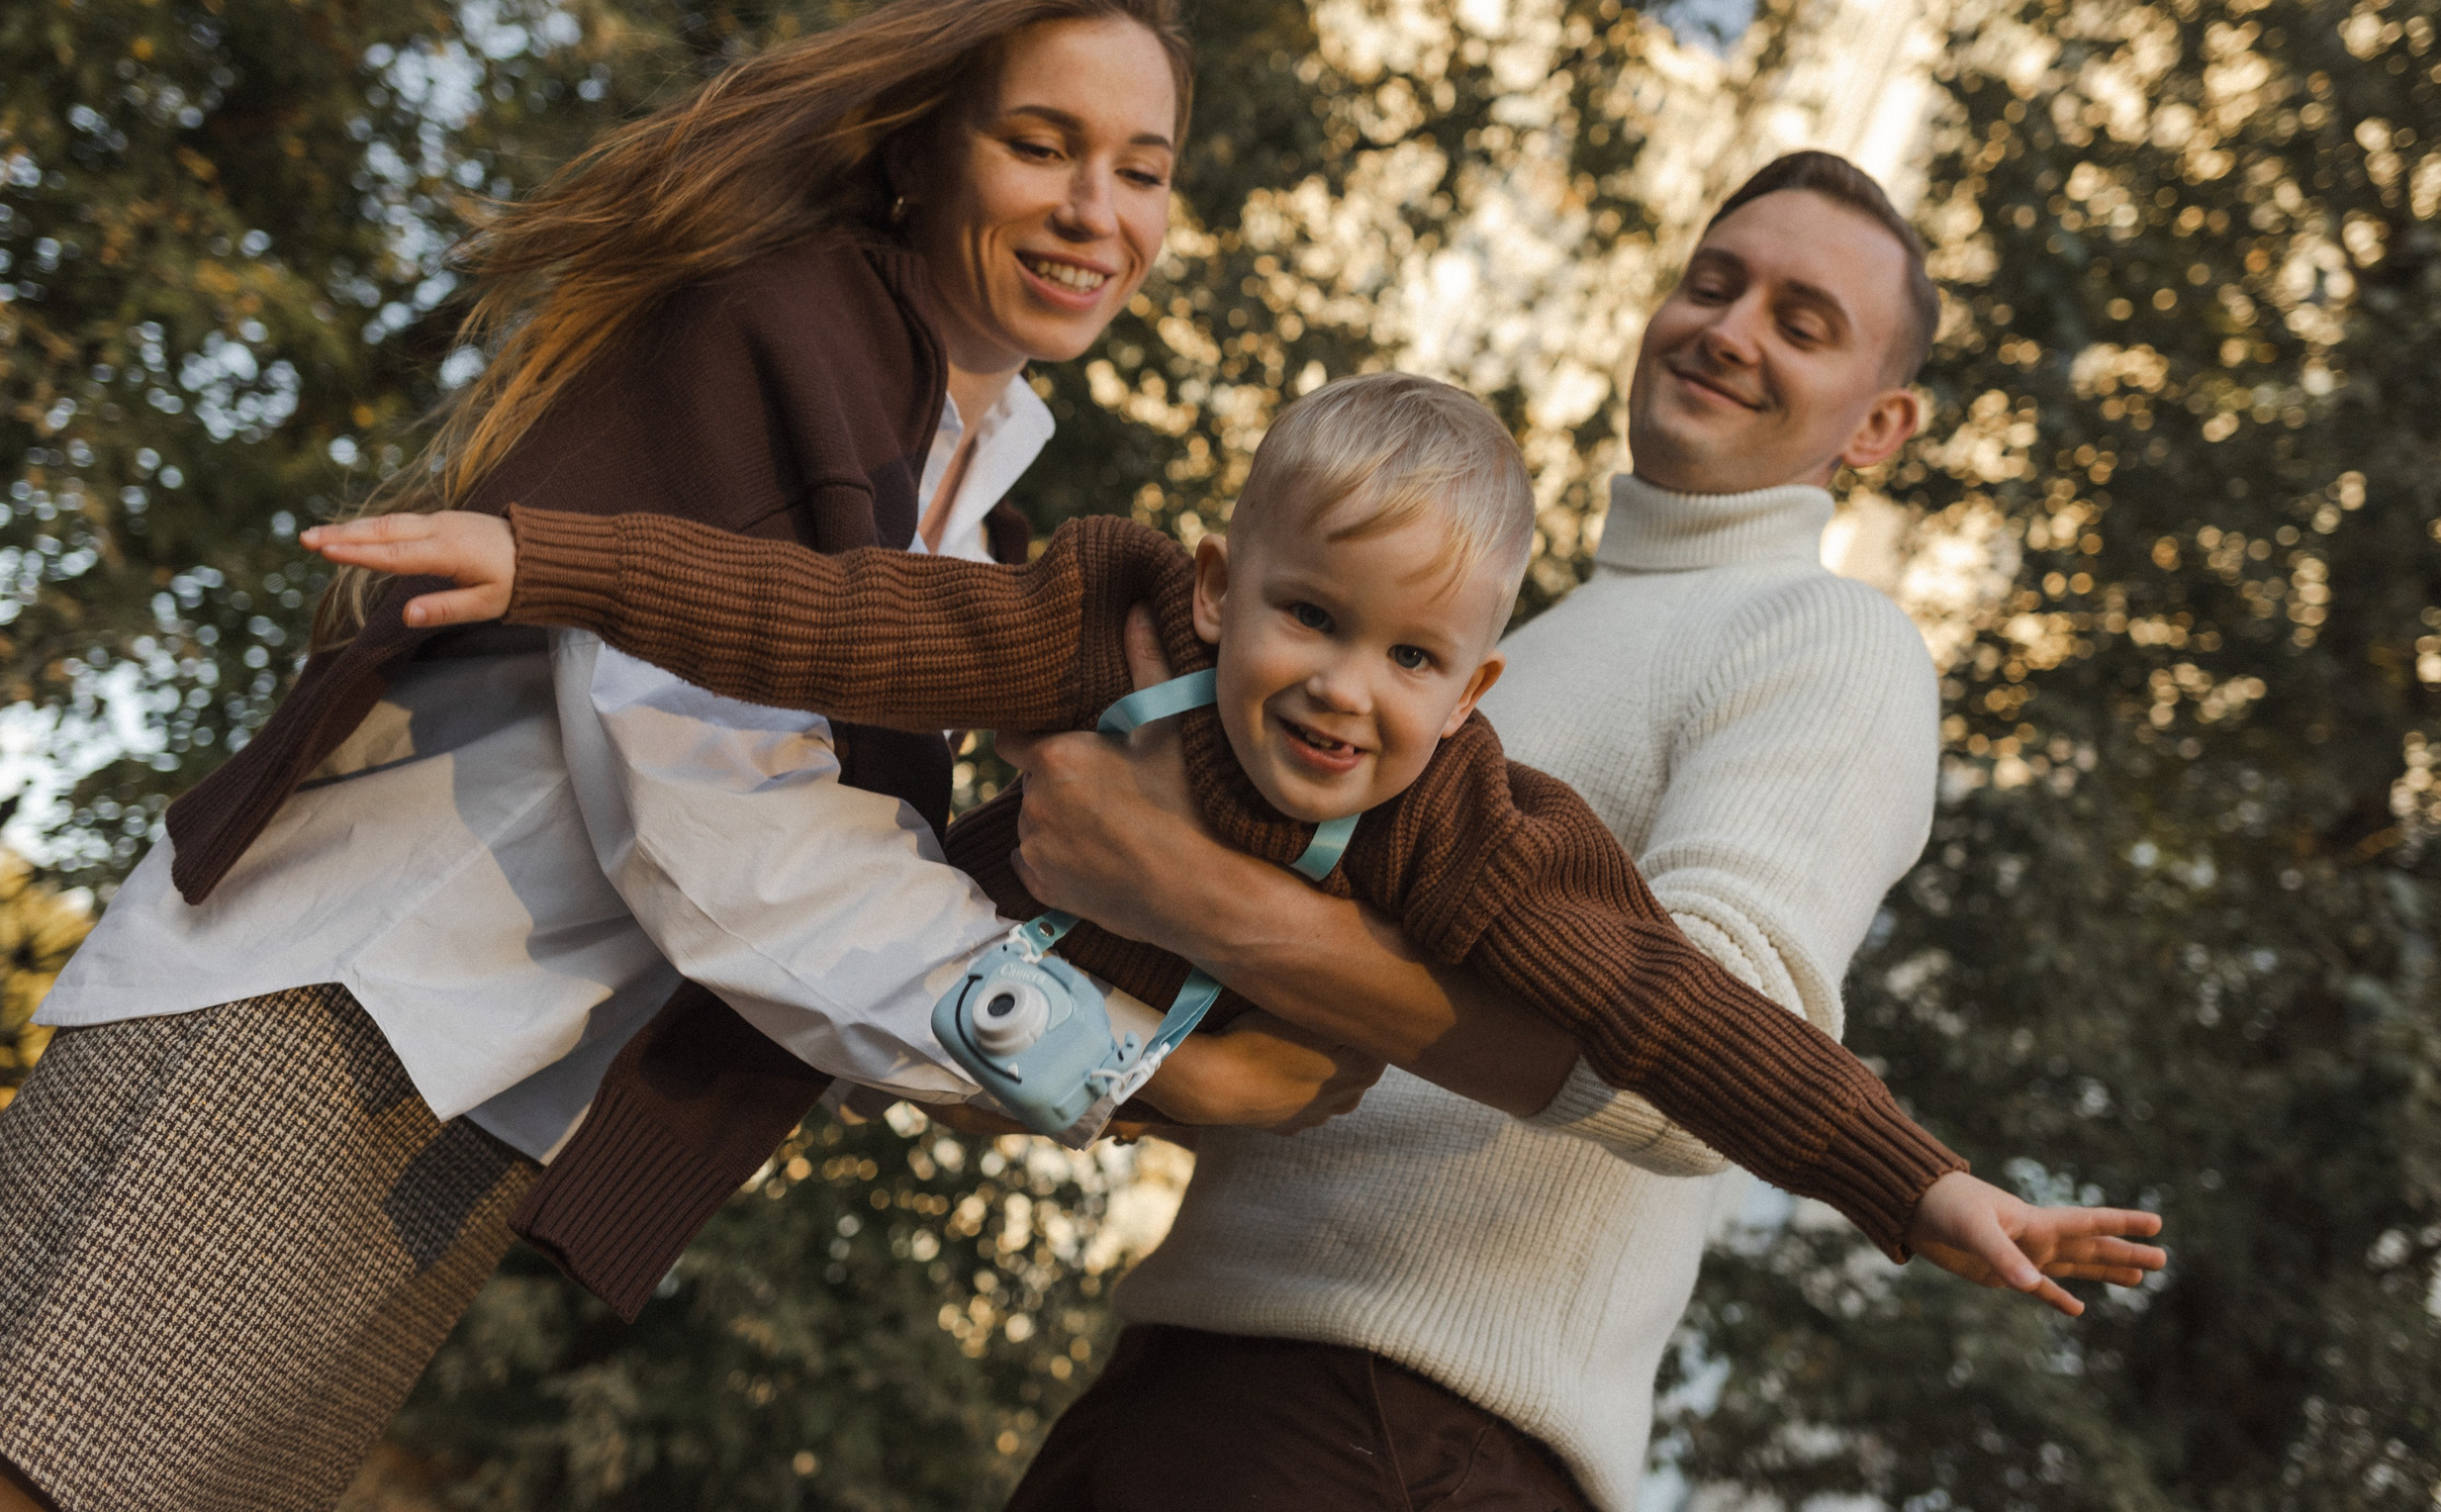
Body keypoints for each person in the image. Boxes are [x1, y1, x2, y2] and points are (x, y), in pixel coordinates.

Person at [0, 0, 1372, 1512]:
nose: (1097, 214)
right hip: (328, 1012)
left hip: (470, 1102)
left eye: (1143, 169)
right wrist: (1121, 1069)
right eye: (1041, 145)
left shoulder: (962, 499)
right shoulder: (785, 337)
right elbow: (725, 816)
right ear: (923, 146)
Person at [305, 372, 2162, 1297]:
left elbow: (1684, 1019)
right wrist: (547, 558)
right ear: (1216, 589)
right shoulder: (1104, 625)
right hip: (996, 942)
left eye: (1413, 658)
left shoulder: (1467, 832)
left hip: (1192, 1055)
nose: (1347, 691)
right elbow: (839, 615)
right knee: (737, 1035)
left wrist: (1926, 1191)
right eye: (1311, 620)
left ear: (1478, 686)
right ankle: (573, 1224)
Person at [978, 151, 2164, 1509]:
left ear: (1880, 427)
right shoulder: (1488, 653)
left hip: (1402, 1420)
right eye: (1712, 285)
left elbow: (1697, 1068)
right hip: (1219, 1372)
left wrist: (1192, 893)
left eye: (1801, 319)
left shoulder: (1830, 640)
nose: (1730, 328)